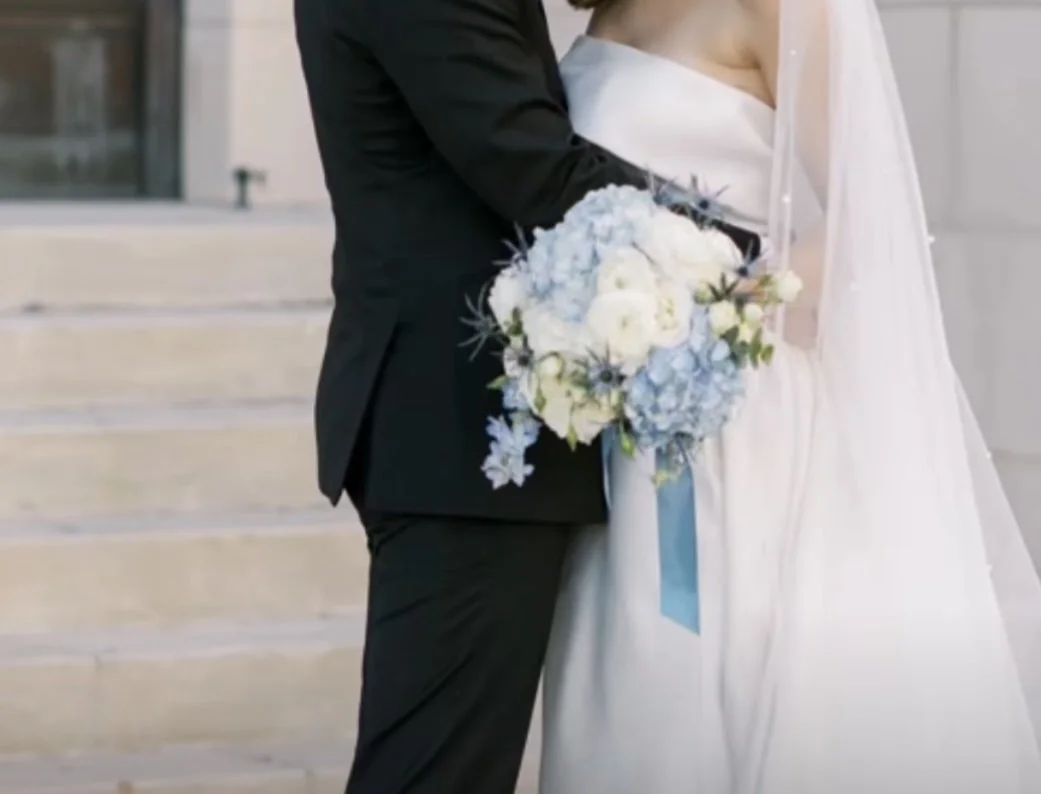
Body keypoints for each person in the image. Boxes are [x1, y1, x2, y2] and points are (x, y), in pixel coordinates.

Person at [539, 0, 1041, 791]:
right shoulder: (609, 10)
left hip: (734, 420)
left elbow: (866, 217)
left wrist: (721, 311)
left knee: (719, 683)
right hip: (623, 428)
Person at [292, 1, 757, 792]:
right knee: (436, 771)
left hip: (462, 425)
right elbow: (533, 168)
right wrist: (747, 255)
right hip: (462, 431)